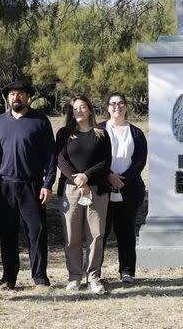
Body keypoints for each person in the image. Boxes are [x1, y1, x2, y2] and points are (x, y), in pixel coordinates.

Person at [0, 79, 57, 289]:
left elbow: (51, 156)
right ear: (8, 97)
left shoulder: (40, 121)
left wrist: (48, 183)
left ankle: (39, 277)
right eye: (12, 94)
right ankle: (8, 278)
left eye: (20, 93)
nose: (15, 97)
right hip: (5, 186)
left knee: (36, 232)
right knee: (8, 234)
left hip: (32, 185)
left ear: (28, 97)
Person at [56, 95, 112, 294]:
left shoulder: (101, 133)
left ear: (89, 110)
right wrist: (78, 180)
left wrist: (86, 177)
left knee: (96, 235)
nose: (79, 111)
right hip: (71, 190)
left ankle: (93, 277)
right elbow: (60, 159)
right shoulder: (64, 133)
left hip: (97, 190)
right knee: (72, 235)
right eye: (75, 108)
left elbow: (106, 163)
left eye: (82, 107)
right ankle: (74, 277)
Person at [100, 92, 148, 285]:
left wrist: (123, 179)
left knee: (126, 231)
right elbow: (94, 158)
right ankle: (94, 271)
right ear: (107, 107)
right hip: (103, 187)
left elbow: (139, 160)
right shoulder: (99, 130)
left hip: (128, 189)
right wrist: (109, 176)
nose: (117, 107)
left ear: (126, 107)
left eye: (120, 103)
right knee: (99, 232)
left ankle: (127, 271)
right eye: (113, 104)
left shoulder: (136, 133)